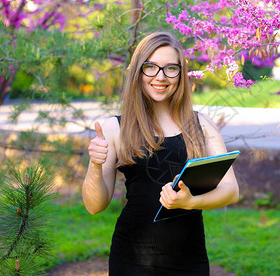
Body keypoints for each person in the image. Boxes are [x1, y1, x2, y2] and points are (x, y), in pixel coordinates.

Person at [82, 31, 239, 275]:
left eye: (170, 69)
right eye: (151, 67)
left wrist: (191, 202)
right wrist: (95, 165)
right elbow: (94, 206)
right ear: (138, 71)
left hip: (190, 260)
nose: (161, 77)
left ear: (181, 73)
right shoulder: (114, 128)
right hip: (133, 260)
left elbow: (231, 191)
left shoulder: (202, 126)